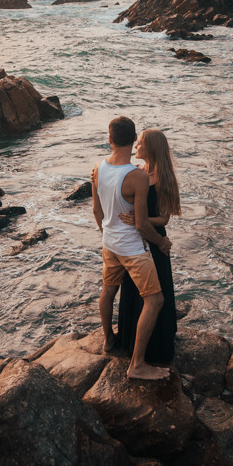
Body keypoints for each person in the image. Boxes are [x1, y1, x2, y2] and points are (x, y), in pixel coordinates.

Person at [92, 116, 171, 380]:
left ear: (110, 139)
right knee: (155, 300)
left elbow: (97, 210)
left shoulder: (98, 168)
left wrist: (108, 233)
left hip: (109, 243)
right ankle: (137, 365)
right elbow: (142, 225)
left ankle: (108, 341)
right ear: (133, 137)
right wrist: (161, 242)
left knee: (108, 291)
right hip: (132, 249)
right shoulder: (136, 175)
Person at [114, 128, 181, 367]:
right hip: (136, 238)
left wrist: (138, 220)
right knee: (134, 291)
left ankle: (155, 348)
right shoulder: (138, 172)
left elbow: (164, 219)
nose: (136, 145)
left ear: (150, 147)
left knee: (153, 295)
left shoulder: (164, 178)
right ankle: (130, 341)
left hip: (153, 239)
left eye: (140, 142)